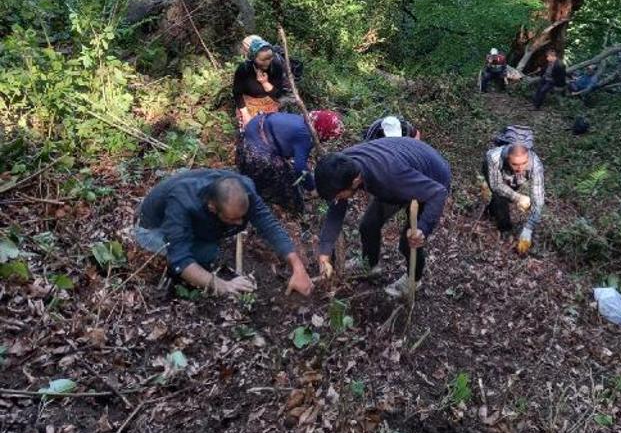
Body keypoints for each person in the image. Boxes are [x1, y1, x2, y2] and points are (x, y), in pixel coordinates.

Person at [134, 168, 312, 297]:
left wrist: (297, 266)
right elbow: (180, 260)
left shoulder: (243, 189)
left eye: (243, 217)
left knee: (211, 246)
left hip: (192, 210)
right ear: (212, 207)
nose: (241, 223)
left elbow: (269, 225)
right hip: (151, 228)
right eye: (234, 218)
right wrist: (223, 285)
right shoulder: (182, 203)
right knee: (207, 253)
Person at [314, 138, 451, 299]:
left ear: (356, 181)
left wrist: (423, 228)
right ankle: (370, 265)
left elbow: (438, 192)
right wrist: (324, 253)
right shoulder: (341, 165)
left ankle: (413, 280)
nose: (336, 198)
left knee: (409, 242)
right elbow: (336, 210)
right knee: (368, 225)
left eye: (338, 194)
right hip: (401, 172)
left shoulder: (390, 177)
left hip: (431, 181)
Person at [238, 109, 343, 212]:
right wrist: (312, 188)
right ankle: (295, 207)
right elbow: (300, 167)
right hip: (254, 150)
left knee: (287, 167)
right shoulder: (305, 135)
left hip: (251, 130)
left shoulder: (302, 120)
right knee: (287, 178)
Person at [482, 140, 545, 254]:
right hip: (491, 167)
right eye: (515, 164)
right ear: (507, 158)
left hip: (512, 175)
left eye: (524, 163)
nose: (520, 168)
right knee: (499, 194)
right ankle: (504, 228)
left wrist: (528, 228)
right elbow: (497, 186)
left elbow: (538, 200)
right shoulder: (493, 158)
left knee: (508, 194)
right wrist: (518, 198)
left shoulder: (536, 165)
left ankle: (491, 210)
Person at [233, 36, 289, 128]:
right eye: (263, 60)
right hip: (248, 103)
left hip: (269, 102)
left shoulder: (276, 66)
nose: (267, 62)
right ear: (253, 58)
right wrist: (245, 115)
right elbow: (237, 93)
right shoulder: (244, 69)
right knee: (250, 129)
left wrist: (265, 83)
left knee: (269, 129)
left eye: (270, 58)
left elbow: (278, 94)